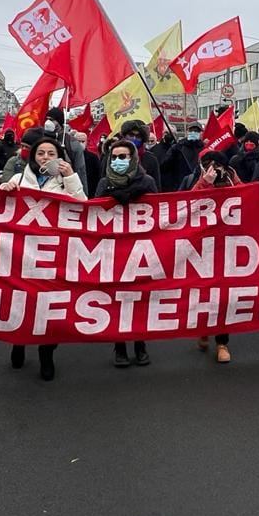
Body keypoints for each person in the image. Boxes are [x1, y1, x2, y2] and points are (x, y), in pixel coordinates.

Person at [0, 137, 86, 380]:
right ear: (32, 156)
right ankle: (18, 342)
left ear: (59, 157)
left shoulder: (65, 182)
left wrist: (70, 177)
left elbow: (83, 207)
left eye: (51, 153)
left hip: (53, 256)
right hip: (22, 254)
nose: (45, 158)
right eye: (41, 154)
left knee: (49, 306)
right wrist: (4, 190)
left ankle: (46, 354)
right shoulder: (18, 179)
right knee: (21, 302)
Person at [93, 139, 159, 368]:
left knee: (140, 299)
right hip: (113, 250)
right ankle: (119, 347)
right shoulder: (104, 183)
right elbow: (94, 214)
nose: (119, 161)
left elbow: (160, 211)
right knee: (117, 300)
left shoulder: (147, 182)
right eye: (115, 157)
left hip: (140, 249)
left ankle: (141, 345)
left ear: (133, 159)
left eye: (124, 157)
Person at [190, 148, 242, 362]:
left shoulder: (233, 180)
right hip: (203, 246)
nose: (214, 169)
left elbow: (247, 197)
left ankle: (222, 343)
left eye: (218, 165)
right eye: (209, 165)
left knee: (224, 297)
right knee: (205, 293)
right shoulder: (195, 179)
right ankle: (203, 329)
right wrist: (205, 183)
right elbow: (188, 204)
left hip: (229, 245)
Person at [114, 120, 162, 191]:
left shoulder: (150, 159)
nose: (134, 138)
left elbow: (156, 188)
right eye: (131, 135)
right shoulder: (113, 156)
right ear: (124, 136)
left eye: (138, 136)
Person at [43, 107, 87, 182]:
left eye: (51, 120)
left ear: (59, 122)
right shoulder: (40, 139)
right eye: (47, 119)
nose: (48, 122)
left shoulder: (72, 143)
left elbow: (80, 171)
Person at [162, 121, 205, 190]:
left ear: (201, 133)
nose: (193, 132)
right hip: (180, 186)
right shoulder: (178, 147)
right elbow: (164, 166)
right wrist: (173, 153)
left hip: (198, 186)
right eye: (191, 130)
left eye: (196, 131)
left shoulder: (204, 148)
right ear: (187, 131)